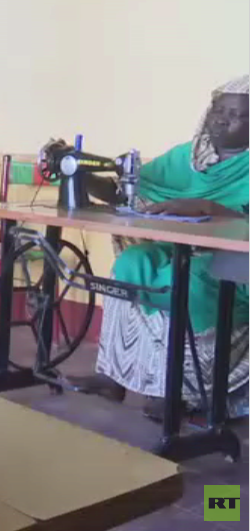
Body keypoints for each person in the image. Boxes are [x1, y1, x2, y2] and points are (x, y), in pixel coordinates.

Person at [69, 75, 249, 420]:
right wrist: (81, 174)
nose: (221, 119)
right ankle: (113, 375)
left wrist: (208, 207)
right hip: (185, 250)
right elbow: (127, 190)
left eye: (234, 114)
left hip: (237, 265)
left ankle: (179, 392)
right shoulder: (186, 157)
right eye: (218, 110)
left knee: (189, 280)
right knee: (132, 263)